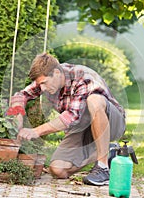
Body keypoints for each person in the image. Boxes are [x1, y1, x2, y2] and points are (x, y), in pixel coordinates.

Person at [11, 52, 126, 186]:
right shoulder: (47, 80)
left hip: (112, 123)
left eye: (44, 83)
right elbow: (22, 95)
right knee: (57, 169)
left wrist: (35, 131)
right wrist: (17, 115)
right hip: (81, 127)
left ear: (56, 72)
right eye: (40, 84)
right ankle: (110, 151)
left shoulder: (83, 77)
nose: (42, 88)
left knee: (94, 100)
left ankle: (103, 167)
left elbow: (71, 116)